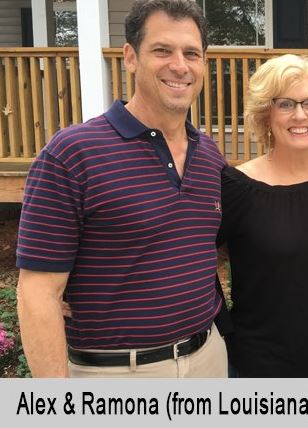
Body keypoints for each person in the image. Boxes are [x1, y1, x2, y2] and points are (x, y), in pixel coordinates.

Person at [16, 0, 228, 378]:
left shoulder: (210, 156)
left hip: (208, 359)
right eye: (162, 50)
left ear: (203, 64)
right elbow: (38, 293)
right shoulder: (72, 154)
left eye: (191, 53)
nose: (180, 65)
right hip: (116, 375)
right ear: (130, 57)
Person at [217, 54, 308, 377]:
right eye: (285, 104)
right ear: (266, 114)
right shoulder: (236, 186)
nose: (299, 115)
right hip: (262, 368)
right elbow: (199, 261)